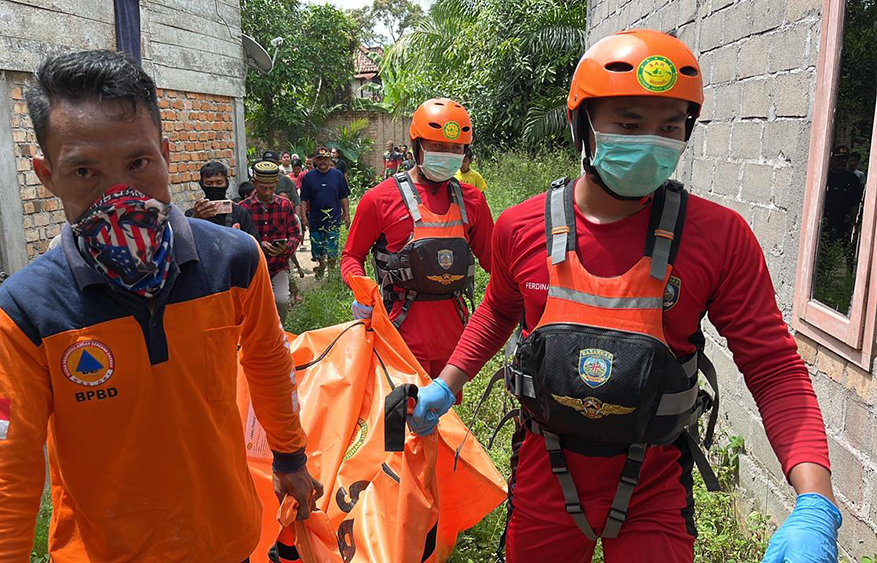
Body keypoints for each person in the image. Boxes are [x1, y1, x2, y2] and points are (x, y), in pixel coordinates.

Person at [406, 30, 840, 563]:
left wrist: (814, 499)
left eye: (670, 127)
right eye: (629, 124)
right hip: (547, 476)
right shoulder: (521, 228)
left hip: (653, 484)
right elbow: (498, 309)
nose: (651, 141)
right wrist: (446, 386)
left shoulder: (719, 238)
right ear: (581, 125)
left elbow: (773, 368)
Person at [0, 50, 322, 562]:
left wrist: (289, 456)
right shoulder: (25, 311)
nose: (119, 195)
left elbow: (268, 361)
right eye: (84, 171)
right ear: (47, 176)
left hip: (224, 541)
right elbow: (2, 469)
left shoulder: (234, 262)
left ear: (166, 154)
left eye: (138, 163)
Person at [341, 99, 494, 380]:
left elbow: (496, 264)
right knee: (401, 416)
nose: (447, 154)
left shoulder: (473, 201)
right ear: (418, 146)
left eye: (456, 149)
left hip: (453, 337)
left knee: (445, 419)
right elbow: (351, 256)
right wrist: (363, 292)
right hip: (399, 331)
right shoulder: (379, 199)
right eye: (438, 146)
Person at [240, 161, 301, 322]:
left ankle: (279, 336)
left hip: (278, 265)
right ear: (254, 183)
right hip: (252, 268)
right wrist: (258, 246)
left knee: (281, 301)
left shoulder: (285, 205)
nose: (267, 192)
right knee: (252, 309)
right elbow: (237, 239)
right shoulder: (243, 208)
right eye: (262, 188)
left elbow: (295, 234)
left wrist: (285, 248)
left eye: (271, 188)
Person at [300, 148, 350, 278]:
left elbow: (343, 196)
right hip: (315, 220)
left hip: (333, 219)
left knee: (332, 249)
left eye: (326, 159)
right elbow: (304, 199)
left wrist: (347, 215)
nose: (323, 162)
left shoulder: (338, 175)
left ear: (330, 160)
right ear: (316, 160)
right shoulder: (308, 177)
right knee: (317, 249)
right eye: (320, 159)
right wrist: (303, 217)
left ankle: (331, 276)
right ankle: (321, 265)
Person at [187, 160, 259, 240]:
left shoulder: (240, 213)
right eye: (209, 183)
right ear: (202, 184)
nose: (214, 186)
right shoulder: (192, 214)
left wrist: (239, 237)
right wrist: (195, 219)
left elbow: (254, 244)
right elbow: (185, 243)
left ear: (226, 183)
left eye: (219, 182)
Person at [823, 145, 865, 247]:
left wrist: (853, 224)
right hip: (825, 220)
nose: (841, 162)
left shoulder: (852, 179)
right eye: (839, 159)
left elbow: (855, 203)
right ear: (832, 159)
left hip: (843, 222)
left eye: (845, 159)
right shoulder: (825, 176)